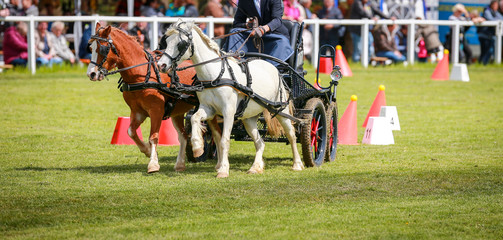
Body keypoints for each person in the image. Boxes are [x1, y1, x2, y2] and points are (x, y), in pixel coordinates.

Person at [224, 0, 294, 66]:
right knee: (234, 32)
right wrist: (248, 25)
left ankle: (269, 67)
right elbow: (237, 23)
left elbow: (277, 20)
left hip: (274, 35)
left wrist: (263, 29)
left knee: (282, 42)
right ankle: (234, 63)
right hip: (255, 36)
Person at [477, 0, 503, 65]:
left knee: (489, 51)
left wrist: (498, 20)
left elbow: (501, 19)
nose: (495, 6)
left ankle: (482, 64)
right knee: (485, 51)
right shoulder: (487, 11)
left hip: (490, 35)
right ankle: (482, 64)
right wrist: (498, 20)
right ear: (491, 5)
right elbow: (491, 20)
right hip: (484, 34)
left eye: (496, 5)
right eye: (494, 5)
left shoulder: (496, 12)